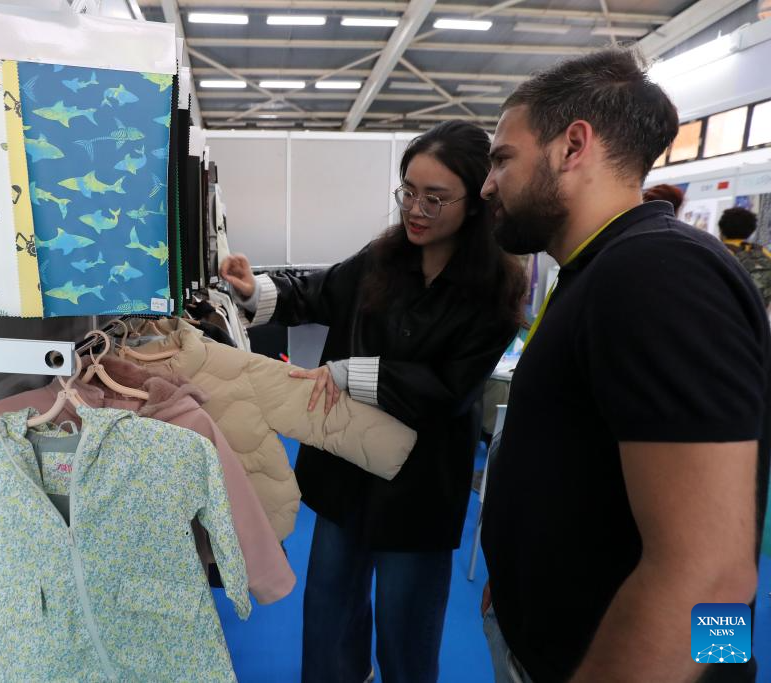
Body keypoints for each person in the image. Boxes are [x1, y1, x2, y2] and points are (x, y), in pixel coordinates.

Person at [479, 47, 769, 683]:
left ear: (572, 146)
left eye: (502, 159)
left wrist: (715, 669)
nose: (487, 185)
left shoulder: (656, 275)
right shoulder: (603, 268)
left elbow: (716, 574)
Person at [220, 121, 525, 683]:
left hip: (420, 485)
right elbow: (317, 291)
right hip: (346, 470)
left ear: (477, 200)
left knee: (406, 630)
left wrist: (348, 373)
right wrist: (254, 289)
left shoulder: (496, 290)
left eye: (435, 198)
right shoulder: (383, 256)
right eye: (408, 191)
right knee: (330, 614)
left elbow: (450, 389)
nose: (416, 209)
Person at [720, 207, 771, 309]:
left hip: (729, 310)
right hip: (759, 311)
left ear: (721, 230)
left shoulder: (720, 252)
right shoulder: (762, 251)